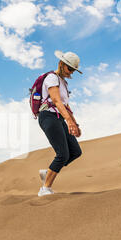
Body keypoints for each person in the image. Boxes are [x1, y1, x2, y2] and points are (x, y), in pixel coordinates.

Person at [37, 51, 83, 196]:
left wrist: (75, 123)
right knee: (62, 154)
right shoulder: (52, 77)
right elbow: (56, 101)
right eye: (69, 68)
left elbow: (66, 106)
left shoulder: (63, 83)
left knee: (75, 151)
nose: (71, 72)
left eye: (73, 70)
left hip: (60, 118)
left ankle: (48, 172)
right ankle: (45, 189)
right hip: (48, 116)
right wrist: (69, 122)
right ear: (61, 64)